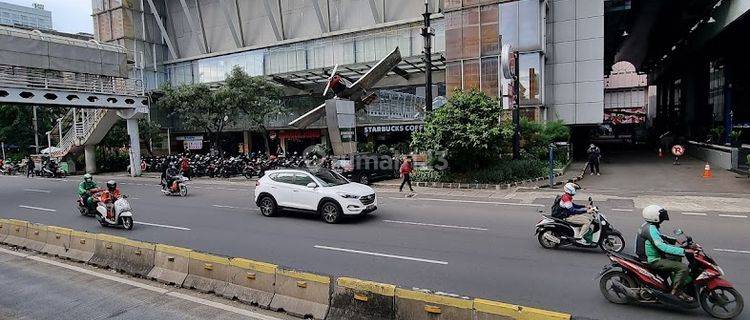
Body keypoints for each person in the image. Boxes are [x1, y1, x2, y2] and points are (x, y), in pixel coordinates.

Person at [636, 205, 693, 302]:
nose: (663, 218)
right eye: (661, 216)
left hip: (650, 254)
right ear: (654, 216)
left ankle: (674, 282)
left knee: (676, 257)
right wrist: (683, 251)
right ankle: (677, 291)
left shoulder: (648, 225)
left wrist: (675, 240)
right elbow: (662, 246)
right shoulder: (650, 229)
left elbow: (659, 237)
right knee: (683, 268)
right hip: (652, 259)